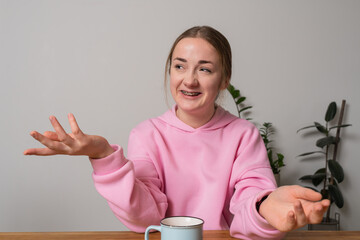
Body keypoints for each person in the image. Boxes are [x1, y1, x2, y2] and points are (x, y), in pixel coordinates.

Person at [24, 26, 330, 240]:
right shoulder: (147, 134)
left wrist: (264, 207)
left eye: (205, 69)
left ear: (224, 79)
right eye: (180, 66)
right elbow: (145, 216)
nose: (190, 81)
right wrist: (104, 157)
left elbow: (249, 200)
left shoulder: (243, 134)